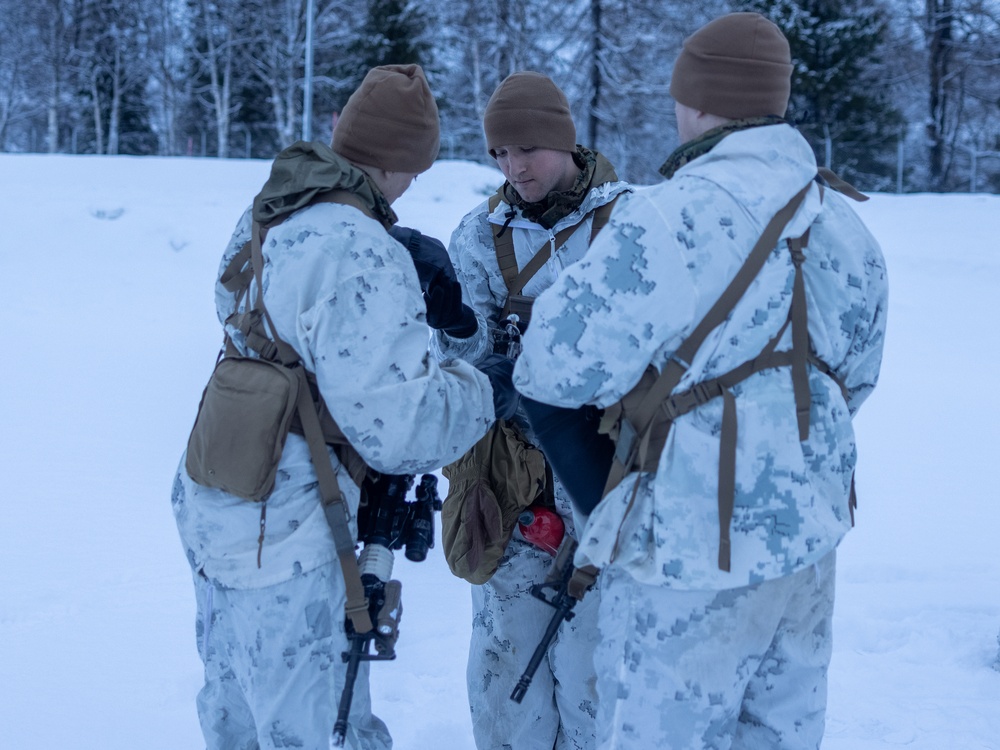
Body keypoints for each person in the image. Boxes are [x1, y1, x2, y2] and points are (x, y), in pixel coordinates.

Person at [513, 13, 888, 750]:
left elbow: (548, 368)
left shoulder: (666, 217)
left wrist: (605, 507)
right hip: (807, 546)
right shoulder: (848, 226)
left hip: (686, 556)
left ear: (698, 102)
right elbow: (857, 384)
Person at [171, 64, 515, 750]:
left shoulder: (271, 211)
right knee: (319, 729)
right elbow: (401, 428)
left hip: (217, 500)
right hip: (289, 531)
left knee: (237, 715)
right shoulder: (360, 249)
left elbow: (253, 317)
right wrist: (485, 386)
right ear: (407, 161)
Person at [431, 71, 631, 749]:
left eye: (528, 150)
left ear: (565, 142)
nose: (514, 168)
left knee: (594, 673)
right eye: (498, 154)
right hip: (510, 478)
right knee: (503, 669)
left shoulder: (632, 225)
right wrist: (454, 327)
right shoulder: (478, 236)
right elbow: (467, 358)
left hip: (605, 480)